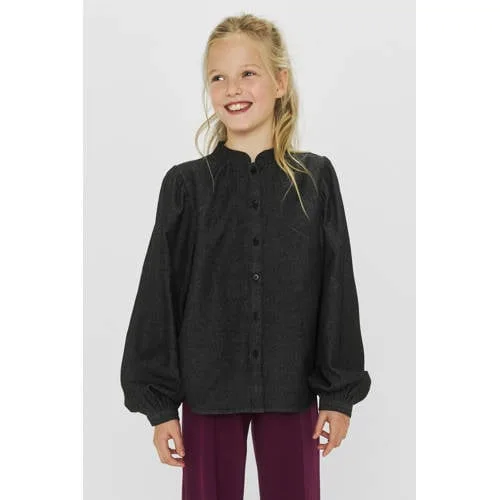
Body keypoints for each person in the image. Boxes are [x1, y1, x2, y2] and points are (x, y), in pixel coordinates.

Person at [120, 12, 371, 500]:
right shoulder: (186, 186)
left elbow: (337, 285)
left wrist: (338, 394)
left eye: (248, 73)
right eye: (218, 77)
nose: (232, 88)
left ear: (280, 82)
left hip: (291, 387)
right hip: (207, 388)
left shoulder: (315, 180)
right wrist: (160, 406)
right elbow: (159, 292)